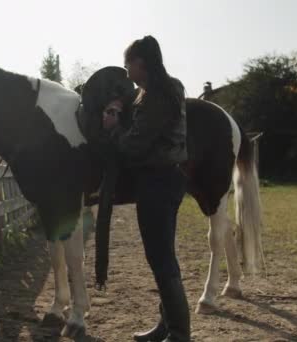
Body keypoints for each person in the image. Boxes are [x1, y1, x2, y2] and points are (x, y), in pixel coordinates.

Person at [100, 35, 190, 342]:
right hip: (161, 180)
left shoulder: (158, 96)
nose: (127, 72)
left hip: (158, 181)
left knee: (161, 257)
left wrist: (113, 131)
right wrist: (118, 104)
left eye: (128, 65)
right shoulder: (161, 90)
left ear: (141, 63)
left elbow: (135, 145)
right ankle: (167, 325)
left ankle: (178, 333)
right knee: (160, 255)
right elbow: (135, 105)